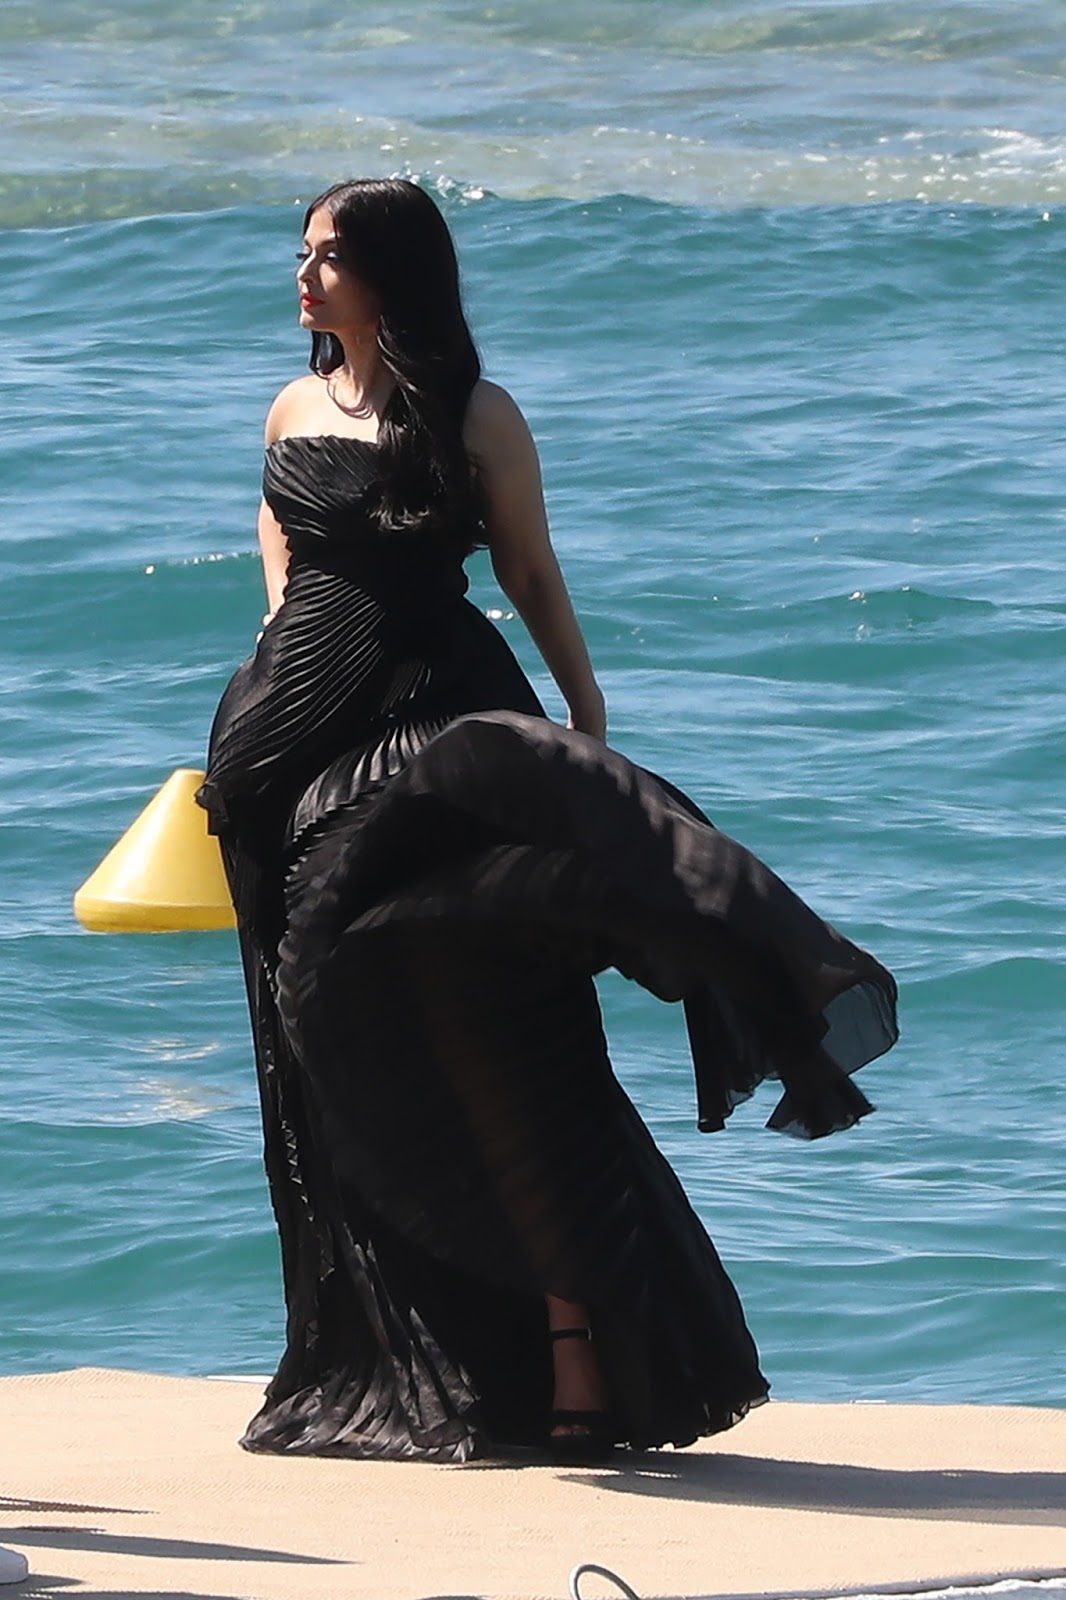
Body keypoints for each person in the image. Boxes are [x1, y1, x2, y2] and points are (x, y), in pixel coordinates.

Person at [197, 177, 898, 1464]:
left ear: (391, 272)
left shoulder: (476, 414)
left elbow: (526, 571)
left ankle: (586, 1349)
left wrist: (585, 708)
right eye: (299, 255)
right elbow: (283, 582)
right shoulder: (292, 406)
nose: (301, 277)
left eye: (327, 256)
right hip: (288, 752)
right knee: (333, 1043)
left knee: (509, 1026)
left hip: (431, 710)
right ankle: (409, 1353)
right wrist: (253, 728)